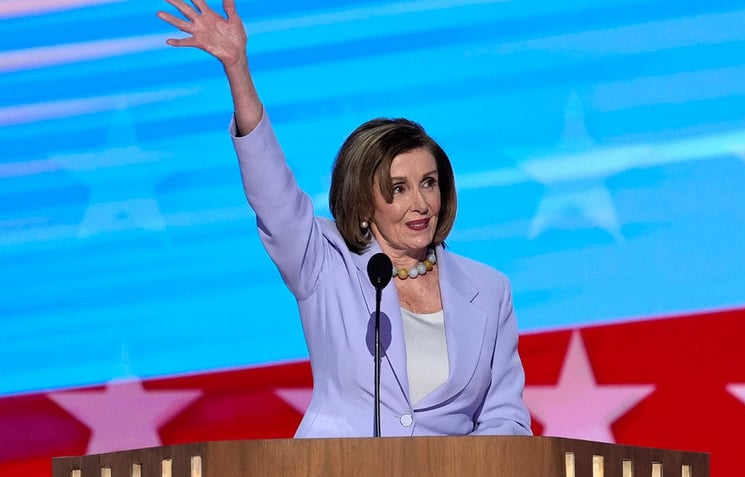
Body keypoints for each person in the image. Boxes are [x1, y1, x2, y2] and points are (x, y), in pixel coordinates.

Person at [157, 0, 531, 437]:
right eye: (398, 189)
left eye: (429, 183)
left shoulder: (489, 290)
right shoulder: (324, 263)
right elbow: (272, 194)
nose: (421, 203)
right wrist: (238, 70)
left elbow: (505, 418)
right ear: (363, 201)